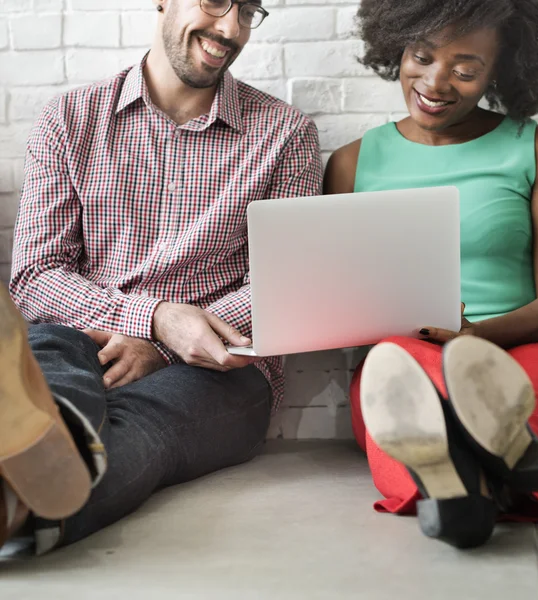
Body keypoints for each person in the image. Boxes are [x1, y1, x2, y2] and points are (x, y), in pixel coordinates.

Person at [0, 0, 322, 557]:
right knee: (50, 355)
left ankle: (20, 503)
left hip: (221, 373)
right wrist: (152, 319)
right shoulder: (69, 120)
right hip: (87, 338)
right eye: (217, 2)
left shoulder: (284, 134)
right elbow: (35, 275)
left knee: (144, 427)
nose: (231, 28)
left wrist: (168, 346)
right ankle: (29, 468)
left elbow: (287, 285)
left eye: (248, 10)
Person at [325, 0, 538, 548]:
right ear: (396, 46)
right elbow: (341, 302)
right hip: (405, 353)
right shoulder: (353, 162)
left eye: (466, 70)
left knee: (525, 398)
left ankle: (458, 490)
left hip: (524, 347)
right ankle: (496, 476)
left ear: (502, 70)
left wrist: (476, 338)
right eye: (421, 57)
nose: (435, 82)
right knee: (402, 387)